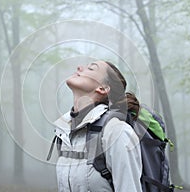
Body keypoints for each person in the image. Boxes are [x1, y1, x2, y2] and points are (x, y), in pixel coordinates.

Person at [52, 60, 142, 192]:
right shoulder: (64, 132)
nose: (79, 67)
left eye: (91, 68)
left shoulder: (117, 132)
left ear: (103, 88)